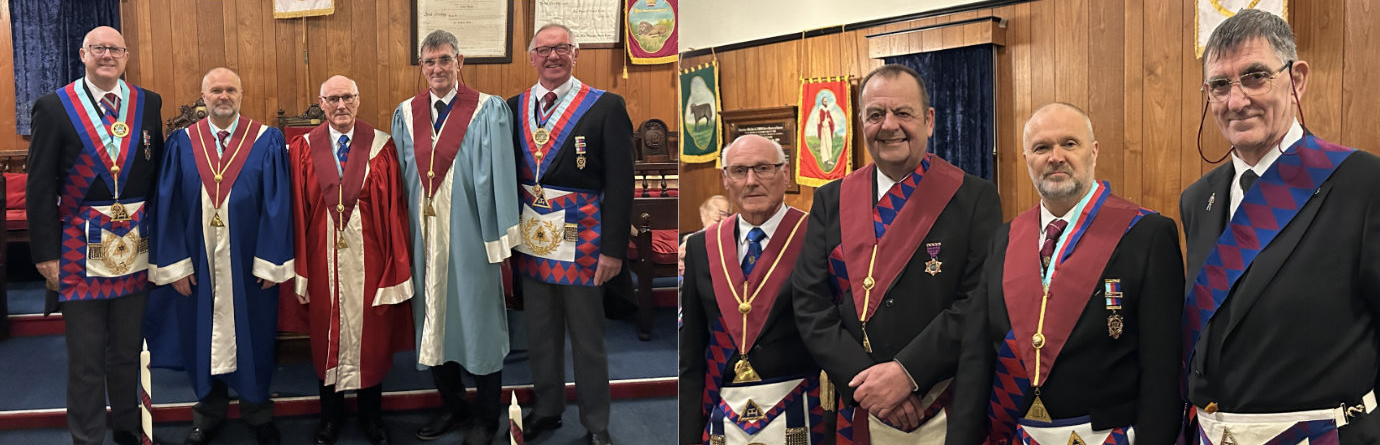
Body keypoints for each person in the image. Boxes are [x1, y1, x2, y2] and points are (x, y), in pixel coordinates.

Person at [1180, 9, 1380, 444]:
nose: (1236, 101)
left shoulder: (1363, 183)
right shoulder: (1198, 200)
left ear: (1296, 80)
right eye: (1219, 85)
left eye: (1255, 77)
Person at [945, 103, 1183, 445]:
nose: (1055, 157)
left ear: (1093, 151)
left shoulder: (1147, 234)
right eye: (1041, 147)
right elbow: (977, 358)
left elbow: (1162, 371)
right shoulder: (1005, 239)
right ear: (1026, 159)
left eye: (1069, 144)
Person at [791, 64, 1001, 444]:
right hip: (860, 401)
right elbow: (810, 305)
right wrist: (869, 384)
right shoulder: (830, 200)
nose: (889, 125)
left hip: (944, 403)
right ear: (861, 123)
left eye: (903, 112)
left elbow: (977, 303)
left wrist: (907, 373)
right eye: (875, 115)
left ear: (929, 120)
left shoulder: (974, 198)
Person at [25, 26, 165, 445]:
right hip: (76, 248)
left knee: (126, 351)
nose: (107, 55)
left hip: (135, 245)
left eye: (115, 49)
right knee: (86, 358)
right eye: (99, 48)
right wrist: (45, 255)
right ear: (83, 54)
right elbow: (39, 186)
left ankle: (127, 429)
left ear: (126, 56)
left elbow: (156, 174)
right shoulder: (54, 107)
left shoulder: (147, 102)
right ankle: (87, 438)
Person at [145, 67, 293, 445]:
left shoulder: (266, 140)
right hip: (198, 261)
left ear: (241, 95)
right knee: (200, 334)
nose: (223, 96)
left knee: (255, 333)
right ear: (203, 97)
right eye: (216, 91)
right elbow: (167, 205)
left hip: (249, 262)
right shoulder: (182, 143)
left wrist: (272, 262)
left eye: (230, 90)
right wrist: (176, 266)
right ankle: (208, 411)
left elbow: (277, 206)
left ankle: (257, 411)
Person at [392, 29, 521, 445]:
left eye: (445, 60)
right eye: (429, 62)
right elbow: (400, 182)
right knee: (431, 320)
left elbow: (501, 174)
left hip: (471, 236)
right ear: (421, 66)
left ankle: (486, 415)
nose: (437, 68)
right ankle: (452, 405)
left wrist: (500, 238)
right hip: (423, 238)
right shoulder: (406, 113)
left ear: (460, 62)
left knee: (479, 322)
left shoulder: (486, 109)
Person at [507, 23, 634, 445]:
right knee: (540, 333)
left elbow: (621, 184)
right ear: (532, 58)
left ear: (575, 54)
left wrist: (614, 250)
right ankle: (547, 408)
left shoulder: (605, 106)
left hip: (585, 242)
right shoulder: (514, 106)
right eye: (544, 50)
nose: (553, 56)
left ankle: (596, 424)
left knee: (587, 338)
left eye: (561, 48)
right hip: (533, 236)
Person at [284, 75, 415, 445]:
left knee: (371, 337)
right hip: (320, 258)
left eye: (347, 98)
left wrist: (394, 266)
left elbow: (394, 212)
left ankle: (372, 417)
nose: (341, 105)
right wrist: (300, 267)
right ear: (321, 103)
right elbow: (297, 210)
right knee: (326, 334)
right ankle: (330, 417)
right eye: (333, 99)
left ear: (358, 100)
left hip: (370, 258)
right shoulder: (303, 148)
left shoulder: (381, 146)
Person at [680, 135, 827, 444]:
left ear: (785, 173)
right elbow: (692, 349)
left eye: (763, 168)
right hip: (721, 413)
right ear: (725, 179)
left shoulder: (818, 237)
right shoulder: (701, 247)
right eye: (739, 171)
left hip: (803, 410)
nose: (751, 181)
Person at [817, 96, 836, 163]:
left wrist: (829, 120)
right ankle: (824, 159)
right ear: (822, 102)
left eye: (826, 101)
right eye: (824, 101)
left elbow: (830, 119)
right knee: (823, 144)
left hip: (828, 128)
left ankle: (829, 159)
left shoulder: (827, 110)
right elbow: (818, 121)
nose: (825, 102)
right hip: (823, 129)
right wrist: (821, 121)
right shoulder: (821, 110)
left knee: (829, 143)